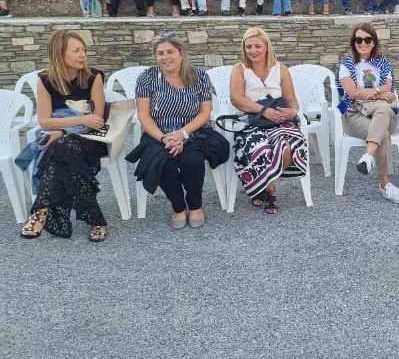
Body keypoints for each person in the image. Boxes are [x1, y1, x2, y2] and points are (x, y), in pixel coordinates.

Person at [128, 32, 228, 229]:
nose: (165, 57)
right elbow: (144, 115)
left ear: (181, 53)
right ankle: (178, 206)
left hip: (193, 131)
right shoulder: (147, 78)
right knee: (164, 164)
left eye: (170, 52)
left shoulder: (199, 76)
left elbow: (205, 112)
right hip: (158, 133)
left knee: (193, 161)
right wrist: (164, 138)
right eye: (160, 53)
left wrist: (182, 134)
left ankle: (195, 205)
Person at [18, 31, 109, 241]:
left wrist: (63, 130)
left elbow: (95, 121)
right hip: (63, 141)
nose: (83, 55)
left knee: (62, 146)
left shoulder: (94, 77)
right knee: (64, 149)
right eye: (76, 51)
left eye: (83, 50)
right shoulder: (45, 80)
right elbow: (44, 121)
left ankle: (41, 211)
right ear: (60, 54)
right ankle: (96, 219)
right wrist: (79, 121)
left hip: (91, 138)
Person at [229, 27, 308, 214]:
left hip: (280, 120)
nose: (253, 50)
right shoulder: (240, 69)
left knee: (288, 147)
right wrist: (264, 110)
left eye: (257, 46)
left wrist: (292, 112)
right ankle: (270, 189)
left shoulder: (280, 68)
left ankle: (263, 184)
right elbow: (236, 99)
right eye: (249, 46)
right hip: (252, 122)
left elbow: (292, 100)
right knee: (259, 148)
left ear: (266, 47)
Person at [335, 23, 399, 203]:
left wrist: (374, 92)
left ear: (374, 42)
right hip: (354, 113)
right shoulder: (346, 64)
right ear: (353, 42)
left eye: (367, 39)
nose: (363, 43)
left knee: (383, 109)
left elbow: (388, 88)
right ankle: (385, 184)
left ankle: (368, 156)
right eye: (358, 39)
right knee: (382, 134)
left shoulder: (383, 63)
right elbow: (352, 93)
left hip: (382, 112)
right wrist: (379, 93)